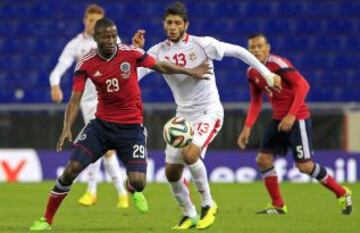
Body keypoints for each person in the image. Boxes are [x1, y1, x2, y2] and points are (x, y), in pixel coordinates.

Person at [29, 17, 210, 231]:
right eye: (106, 37)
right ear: (96, 39)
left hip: (131, 129)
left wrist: (190, 71)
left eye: (114, 36)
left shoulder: (130, 53)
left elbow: (160, 65)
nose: (111, 40)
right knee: (71, 170)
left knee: (139, 182)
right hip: (101, 126)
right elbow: (75, 98)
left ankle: (131, 189)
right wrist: (67, 127)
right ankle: (46, 220)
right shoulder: (86, 63)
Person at [134, 2, 281, 230]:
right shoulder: (157, 52)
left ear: (186, 25)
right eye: (169, 22)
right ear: (164, 24)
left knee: (191, 153)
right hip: (182, 118)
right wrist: (137, 55)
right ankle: (189, 214)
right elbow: (134, 76)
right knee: (171, 171)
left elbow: (240, 52)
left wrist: (268, 73)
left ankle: (208, 204)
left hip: (208, 111)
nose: (172, 27)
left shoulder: (203, 45)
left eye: (177, 23)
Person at [237, 33, 352, 215]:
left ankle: (342, 192)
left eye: (260, 46)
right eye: (252, 47)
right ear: (248, 50)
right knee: (263, 159)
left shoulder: (278, 64)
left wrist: (291, 115)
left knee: (304, 166)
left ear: (268, 47)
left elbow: (303, 85)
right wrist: (247, 127)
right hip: (278, 120)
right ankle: (278, 205)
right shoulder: (252, 71)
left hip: (297, 118)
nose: (256, 50)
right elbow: (256, 101)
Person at [49, 4, 128, 208]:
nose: (93, 24)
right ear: (85, 20)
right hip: (87, 101)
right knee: (103, 147)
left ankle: (101, 192)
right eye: (91, 20)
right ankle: (117, 194)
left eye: (98, 21)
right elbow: (58, 69)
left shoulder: (112, 41)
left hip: (109, 98)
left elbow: (125, 62)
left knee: (103, 146)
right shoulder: (75, 45)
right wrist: (55, 84)